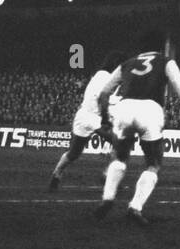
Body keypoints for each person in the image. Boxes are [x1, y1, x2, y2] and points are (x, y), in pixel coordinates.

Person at [94, 30, 180, 226]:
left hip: (124, 108)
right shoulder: (165, 60)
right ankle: (135, 207)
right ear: (161, 46)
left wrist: (104, 119)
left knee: (119, 157)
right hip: (150, 109)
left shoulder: (127, 63)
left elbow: (103, 93)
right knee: (153, 163)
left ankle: (108, 198)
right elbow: (179, 84)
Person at [50, 50, 126, 190]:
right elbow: (103, 98)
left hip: (82, 115)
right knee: (119, 143)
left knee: (74, 153)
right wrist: (106, 118)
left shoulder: (100, 75)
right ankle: (108, 175)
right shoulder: (107, 77)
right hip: (94, 117)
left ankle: (57, 173)